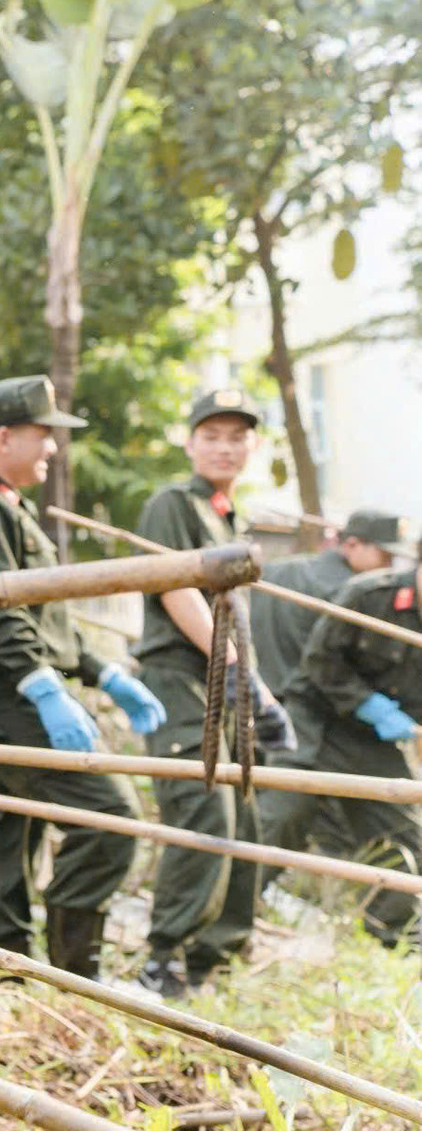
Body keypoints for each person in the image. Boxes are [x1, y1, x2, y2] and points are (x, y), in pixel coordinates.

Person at [0, 376, 163, 979]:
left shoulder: (2, 501)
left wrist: (102, 673)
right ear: (4, 437)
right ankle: (75, 971)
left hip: (3, 692)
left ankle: (9, 978)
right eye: (45, 436)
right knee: (111, 822)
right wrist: (44, 688)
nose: (54, 449)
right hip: (1, 695)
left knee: (8, 835)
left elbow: (43, 615)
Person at [131, 388, 295, 998]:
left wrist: (253, 689)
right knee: (204, 811)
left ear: (252, 445)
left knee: (245, 813)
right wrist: (243, 675)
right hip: (181, 678)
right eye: (212, 436)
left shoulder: (226, 513)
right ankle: (163, 955)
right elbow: (179, 592)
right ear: (189, 441)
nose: (225, 447)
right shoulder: (174, 502)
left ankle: (214, 956)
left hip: (222, 683)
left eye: (238, 437)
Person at [257, 542, 422, 947]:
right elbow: (319, 660)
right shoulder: (369, 595)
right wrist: (368, 704)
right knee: (282, 815)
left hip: (372, 740)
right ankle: (222, 923)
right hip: (316, 719)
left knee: (401, 834)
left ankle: (396, 939)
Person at [252, 511, 406, 697]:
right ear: (352, 545)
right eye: (385, 556)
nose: (390, 566)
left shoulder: (276, 568)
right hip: (311, 703)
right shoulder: (351, 594)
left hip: (260, 691)